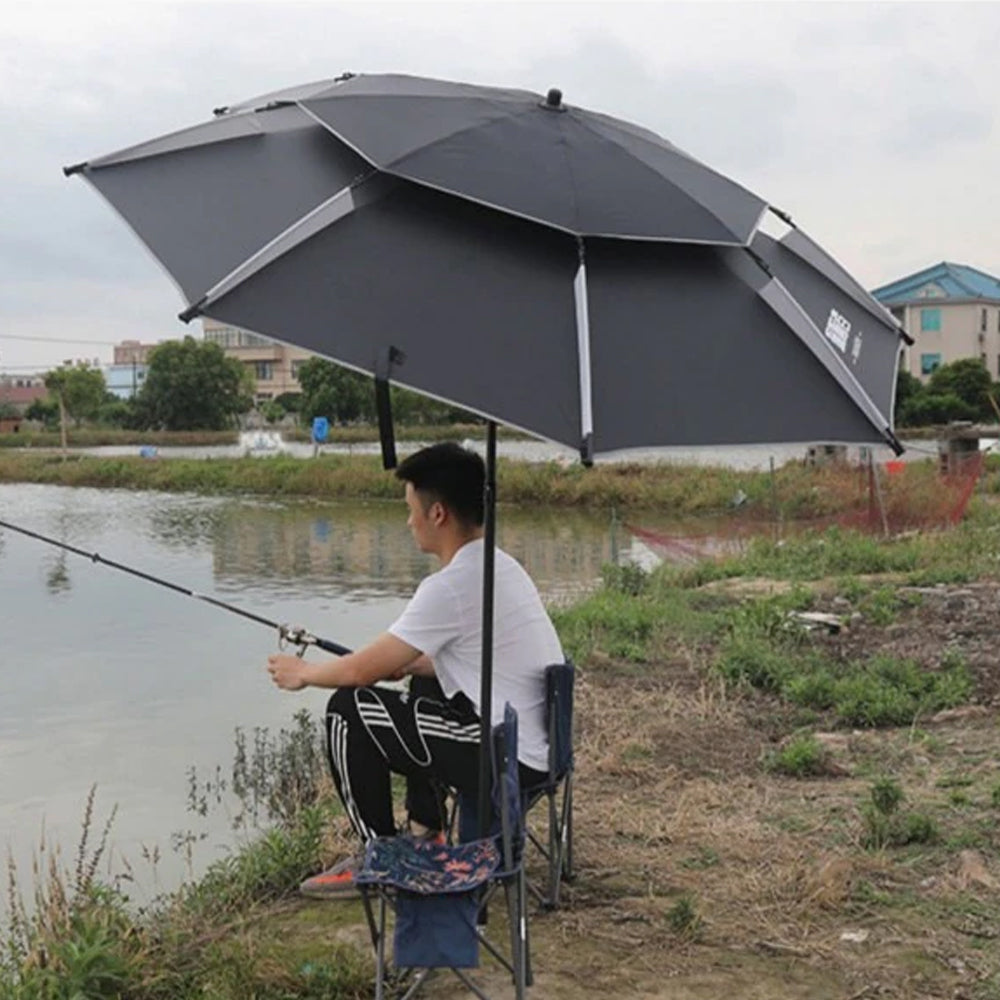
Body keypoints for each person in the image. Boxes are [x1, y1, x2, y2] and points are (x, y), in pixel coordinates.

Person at [266, 441, 564, 896]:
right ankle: (426, 831)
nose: (408, 522)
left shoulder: (450, 586)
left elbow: (359, 673)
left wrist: (302, 673)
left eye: (411, 510)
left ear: (438, 513)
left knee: (349, 710)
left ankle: (377, 858)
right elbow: (467, 656)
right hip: (535, 745)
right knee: (426, 676)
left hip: (507, 759)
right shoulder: (500, 565)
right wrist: (408, 664)